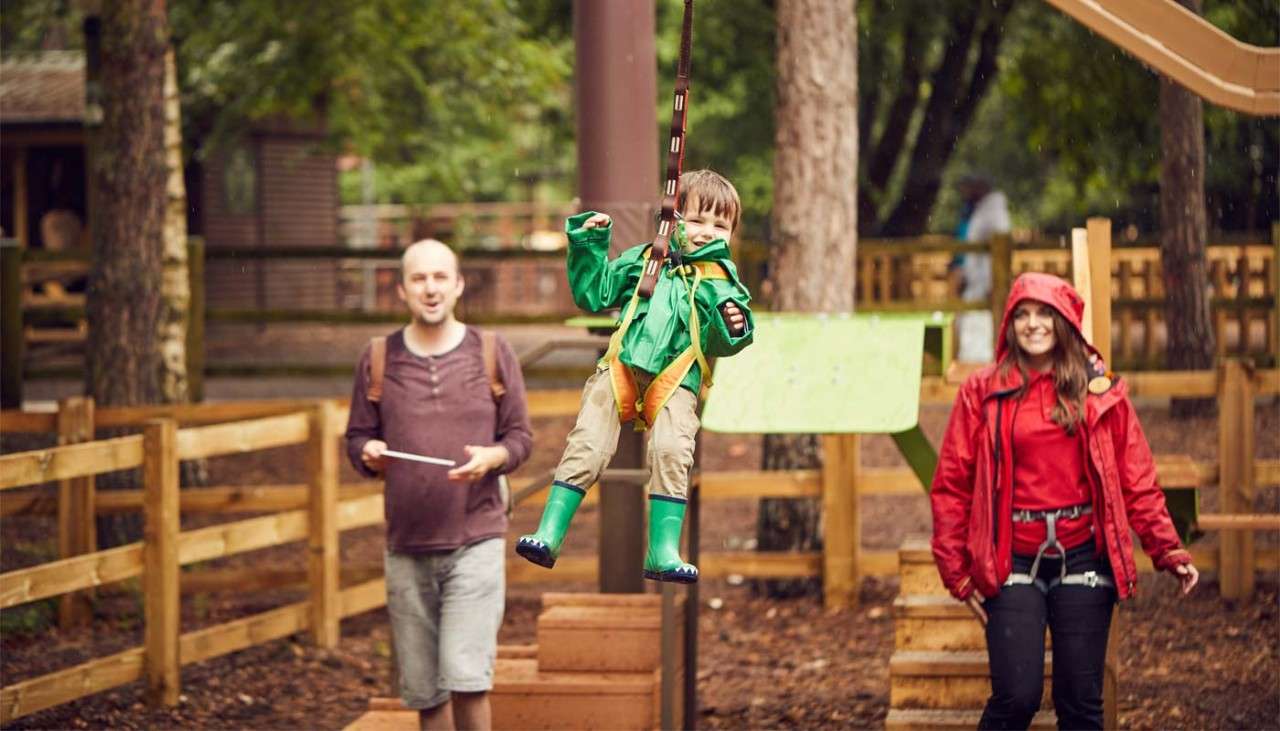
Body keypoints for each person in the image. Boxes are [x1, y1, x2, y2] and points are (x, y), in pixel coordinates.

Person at [930, 272, 1198, 730]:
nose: (1033, 325)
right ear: (1009, 325)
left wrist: (1166, 547)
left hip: (1083, 558)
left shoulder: (1101, 389)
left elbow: (1136, 477)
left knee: (1080, 705)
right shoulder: (982, 391)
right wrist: (955, 570)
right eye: (1023, 315)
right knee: (1016, 697)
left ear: (1065, 322)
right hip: (1011, 558)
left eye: (1044, 314)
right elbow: (953, 484)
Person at [515, 169, 754, 583]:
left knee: (672, 449)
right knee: (588, 442)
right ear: (673, 219)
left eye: (720, 226)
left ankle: (662, 548)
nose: (707, 233)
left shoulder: (721, 282)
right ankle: (550, 531)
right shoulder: (647, 261)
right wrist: (590, 244)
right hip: (622, 367)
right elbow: (596, 292)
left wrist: (734, 323)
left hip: (675, 378)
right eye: (697, 220)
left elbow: (725, 337)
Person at [344, 239, 532, 731]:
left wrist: (494, 457)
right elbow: (358, 437)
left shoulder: (491, 351)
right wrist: (367, 453)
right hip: (406, 544)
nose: (431, 288)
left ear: (458, 285)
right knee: (427, 693)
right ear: (403, 290)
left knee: (468, 678)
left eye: (440, 278)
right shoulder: (378, 358)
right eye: (419, 279)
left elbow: (520, 438)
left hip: (476, 538)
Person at [954, 174, 1011, 363]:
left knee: (983, 328)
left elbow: (999, 249)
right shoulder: (977, 211)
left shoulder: (994, 212)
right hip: (976, 281)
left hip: (987, 281)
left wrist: (992, 282)